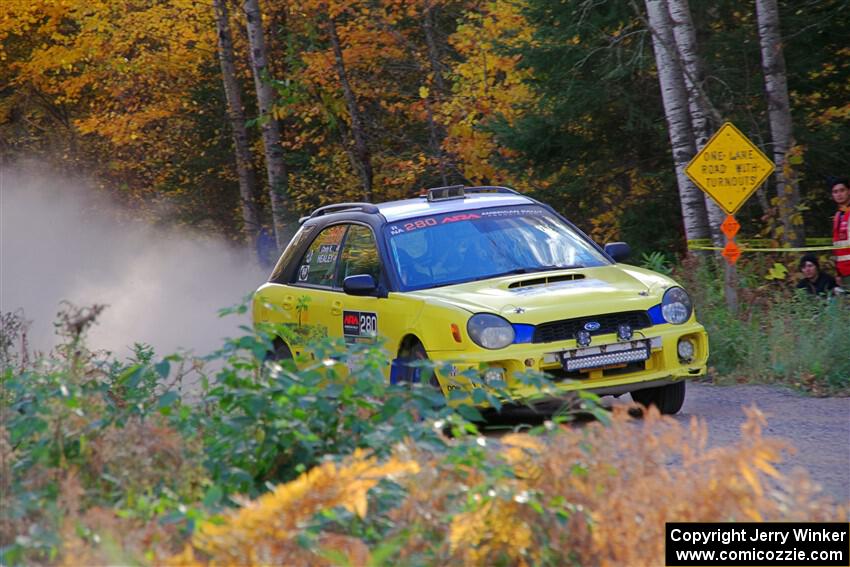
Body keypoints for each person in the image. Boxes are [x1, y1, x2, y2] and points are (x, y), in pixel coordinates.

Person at [830, 176, 850, 285]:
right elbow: (837, 246)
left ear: (849, 191)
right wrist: (838, 273)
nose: (839, 194)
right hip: (843, 271)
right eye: (835, 192)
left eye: (842, 190)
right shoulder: (837, 215)